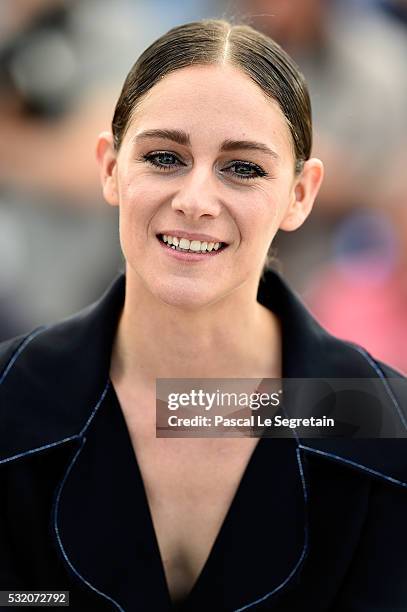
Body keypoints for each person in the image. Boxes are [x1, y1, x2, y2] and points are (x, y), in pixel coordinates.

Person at [0, 19, 406, 612]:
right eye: (165, 157)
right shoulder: (13, 399)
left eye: (243, 167)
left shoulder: (378, 421)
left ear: (301, 194)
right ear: (111, 168)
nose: (195, 200)